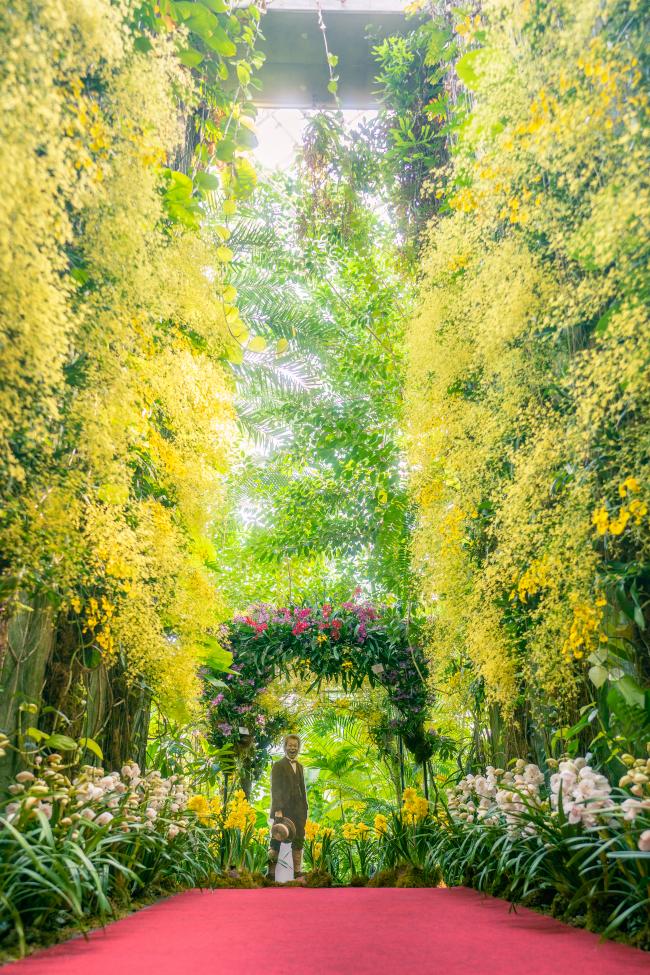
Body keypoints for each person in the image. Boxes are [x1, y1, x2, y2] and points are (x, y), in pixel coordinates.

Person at [267, 734, 308, 881]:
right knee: (276, 839)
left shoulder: (301, 767)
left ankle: (297, 872)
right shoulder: (278, 765)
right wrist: (278, 809)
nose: (293, 748)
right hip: (283, 809)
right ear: (285, 747)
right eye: (290, 745)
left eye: (295, 746)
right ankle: (270, 874)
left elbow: (302, 789)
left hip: (299, 811)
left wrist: (305, 809)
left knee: (299, 840)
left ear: (298, 748)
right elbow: (275, 788)